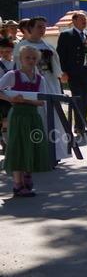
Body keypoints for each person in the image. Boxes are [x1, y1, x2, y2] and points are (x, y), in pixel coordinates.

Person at [14, 16, 69, 165]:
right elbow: (18, 68)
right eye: (39, 27)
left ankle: (55, 152)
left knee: (54, 118)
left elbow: (55, 66)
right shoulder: (21, 46)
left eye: (44, 27)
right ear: (30, 28)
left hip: (50, 82)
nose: (42, 30)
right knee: (38, 117)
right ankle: (38, 154)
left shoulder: (48, 45)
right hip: (33, 84)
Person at [0, 45, 50, 196]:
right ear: (20, 59)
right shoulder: (12, 75)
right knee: (18, 146)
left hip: (33, 115)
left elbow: (43, 100)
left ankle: (28, 176)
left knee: (32, 144)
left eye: (34, 58)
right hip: (18, 114)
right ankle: (17, 184)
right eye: (27, 58)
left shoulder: (40, 79)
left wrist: (29, 101)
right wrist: (10, 98)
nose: (31, 61)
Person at [56, 11, 87, 138]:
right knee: (77, 98)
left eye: (85, 19)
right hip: (74, 72)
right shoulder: (66, 35)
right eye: (81, 19)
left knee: (86, 99)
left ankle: (82, 124)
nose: (84, 21)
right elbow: (61, 54)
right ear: (74, 21)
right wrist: (63, 71)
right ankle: (79, 126)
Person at [0, 38, 15, 153]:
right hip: (3, 97)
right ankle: (7, 145)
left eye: (8, 51)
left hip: (18, 96)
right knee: (6, 121)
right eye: (2, 52)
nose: (5, 54)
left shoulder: (17, 63)